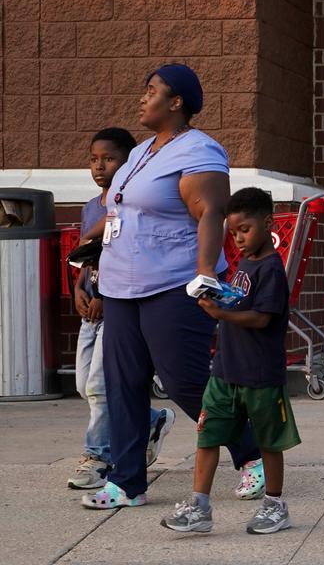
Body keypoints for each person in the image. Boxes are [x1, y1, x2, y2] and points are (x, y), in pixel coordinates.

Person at [82, 64, 262, 510]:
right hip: (122, 288)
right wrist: (87, 251)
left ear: (176, 102)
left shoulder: (198, 150)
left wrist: (204, 273)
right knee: (122, 383)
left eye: (152, 91)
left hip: (173, 285)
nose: (143, 99)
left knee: (185, 381)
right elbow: (121, 210)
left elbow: (211, 212)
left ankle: (254, 453)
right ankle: (127, 483)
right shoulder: (142, 152)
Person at [162, 187, 300, 535]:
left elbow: (261, 318)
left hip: (261, 374)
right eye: (233, 232)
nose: (237, 239)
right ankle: (199, 505)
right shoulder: (245, 264)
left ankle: (275, 504)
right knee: (208, 435)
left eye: (245, 230)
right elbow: (240, 301)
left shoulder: (271, 269)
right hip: (225, 371)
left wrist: (220, 313)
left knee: (269, 441)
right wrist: (217, 296)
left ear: (267, 223)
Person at [68, 128, 175, 490]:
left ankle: (98, 456)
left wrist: (104, 294)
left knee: (100, 387)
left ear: (129, 163)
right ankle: (149, 421)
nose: (99, 166)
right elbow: (88, 258)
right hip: (91, 311)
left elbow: (126, 257)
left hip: (117, 308)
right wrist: (80, 290)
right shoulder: (90, 209)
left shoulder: (129, 208)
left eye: (109, 159)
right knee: (85, 386)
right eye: (94, 159)